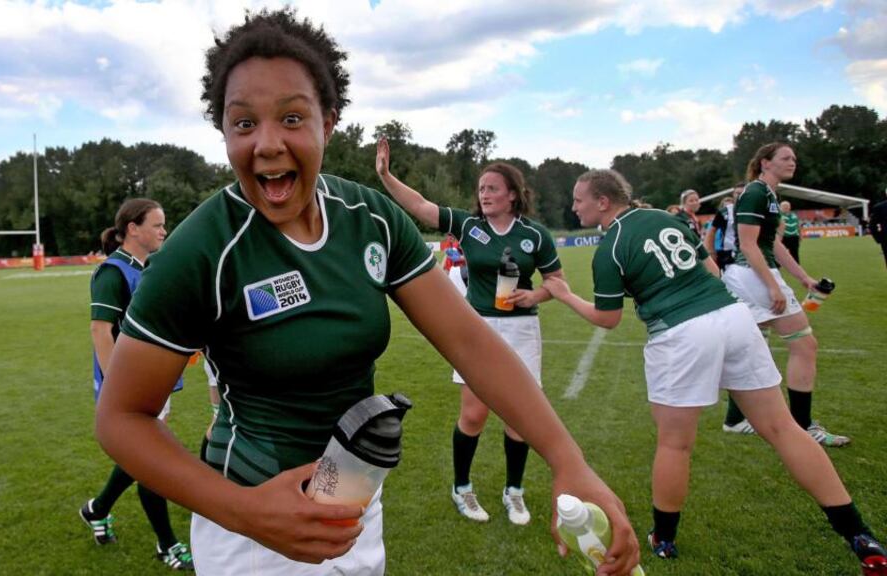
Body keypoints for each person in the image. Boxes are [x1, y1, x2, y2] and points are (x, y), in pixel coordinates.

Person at [93, 8, 640, 576]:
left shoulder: (370, 219)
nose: (268, 143)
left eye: (292, 117)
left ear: (328, 122)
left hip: (354, 507)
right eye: (244, 124)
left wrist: (568, 460)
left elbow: (471, 343)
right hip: (252, 530)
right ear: (224, 133)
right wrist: (246, 512)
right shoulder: (202, 249)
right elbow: (121, 417)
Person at [543, 168, 887, 573]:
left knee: (675, 444)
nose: (574, 206)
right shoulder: (669, 219)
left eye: (578, 199)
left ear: (603, 201)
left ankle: (664, 539)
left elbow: (607, 318)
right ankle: (859, 534)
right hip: (732, 315)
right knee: (782, 428)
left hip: (681, 334)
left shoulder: (611, 247)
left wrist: (564, 295)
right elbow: (713, 273)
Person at [376, 138, 562, 526]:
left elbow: (556, 282)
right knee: (474, 415)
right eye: (481, 189)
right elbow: (421, 207)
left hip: (522, 329)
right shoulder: (468, 225)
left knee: (520, 418)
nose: (485, 194)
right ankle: (462, 488)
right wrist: (386, 176)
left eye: (493, 188)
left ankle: (515, 491)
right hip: (478, 329)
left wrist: (536, 294)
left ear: (513, 194)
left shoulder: (535, 234)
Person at [82, 198, 194, 571]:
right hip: (132, 387)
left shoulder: (149, 267)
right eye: (158, 225)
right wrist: (120, 388)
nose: (164, 231)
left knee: (139, 456)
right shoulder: (113, 273)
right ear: (133, 228)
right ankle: (167, 544)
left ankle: (97, 509)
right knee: (150, 460)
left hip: (154, 380)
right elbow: (101, 331)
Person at [720, 143, 849, 446]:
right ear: (765, 162)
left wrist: (803, 277)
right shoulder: (756, 192)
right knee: (805, 345)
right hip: (753, 275)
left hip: (752, 275)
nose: (793, 162)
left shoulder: (769, 193)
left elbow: (774, 244)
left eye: (794, 157)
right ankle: (804, 427)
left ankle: (735, 420)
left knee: (750, 345)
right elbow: (748, 244)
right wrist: (773, 285)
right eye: (786, 157)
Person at [703, 185, 743, 271]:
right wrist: (710, 250)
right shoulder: (725, 211)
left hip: (749, 252)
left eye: (743, 193)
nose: (740, 195)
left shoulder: (755, 210)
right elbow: (712, 230)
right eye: (737, 193)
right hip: (728, 254)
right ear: (733, 194)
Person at [869, 188, 887, 269]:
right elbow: (872, 225)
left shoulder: (879, 207)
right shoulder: (879, 207)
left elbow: (872, 225)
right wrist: (879, 238)